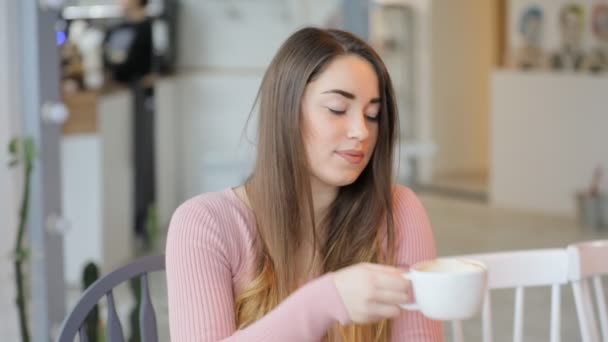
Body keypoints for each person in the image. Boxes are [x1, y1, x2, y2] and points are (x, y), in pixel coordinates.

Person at [165, 27, 443, 341]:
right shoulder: (204, 223)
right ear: (287, 111)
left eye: (373, 115)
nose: (361, 132)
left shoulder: (399, 211)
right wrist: (324, 301)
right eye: (338, 109)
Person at [104, 0, 156, 247]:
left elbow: (138, 67)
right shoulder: (114, 28)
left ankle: (141, 222)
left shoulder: (150, 28)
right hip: (123, 98)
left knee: (141, 160)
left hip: (140, 101)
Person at [550, 4, 586, 71]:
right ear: (561, 27)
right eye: (567, 25)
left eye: (575, 26)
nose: (571, 31)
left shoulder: (586, 59)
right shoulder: (552, 58)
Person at [510, 6, 546, 70]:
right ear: (523, 25)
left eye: (537, 25)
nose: (534, 29)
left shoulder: (543, 56)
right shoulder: (514, 54)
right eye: (531, 24)